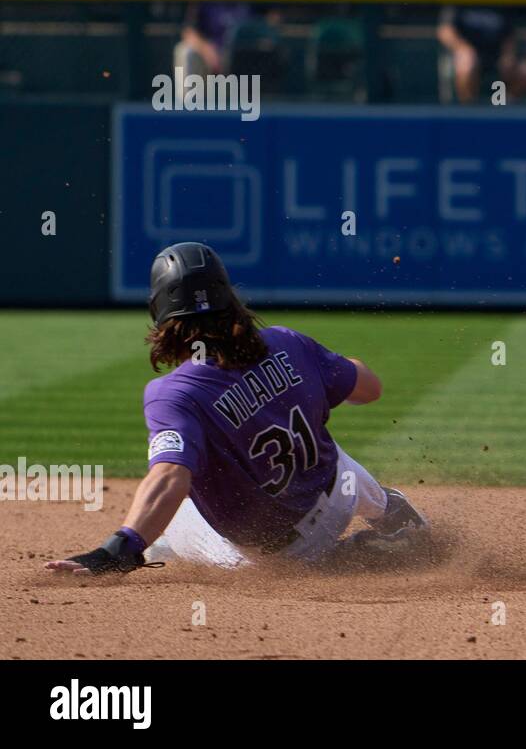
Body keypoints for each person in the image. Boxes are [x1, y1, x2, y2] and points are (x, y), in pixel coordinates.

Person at [44, 243, 431, 576]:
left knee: (178, 518)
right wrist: (318, 364)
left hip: (281, 556)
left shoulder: (173, 394)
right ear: (231, 299)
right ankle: (387, 509)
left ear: (161, 313)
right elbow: (370, 389)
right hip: (340, 498)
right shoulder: (286, 341)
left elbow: (170, 477)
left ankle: (167, 549)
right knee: (331, 457)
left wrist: (121, 548)